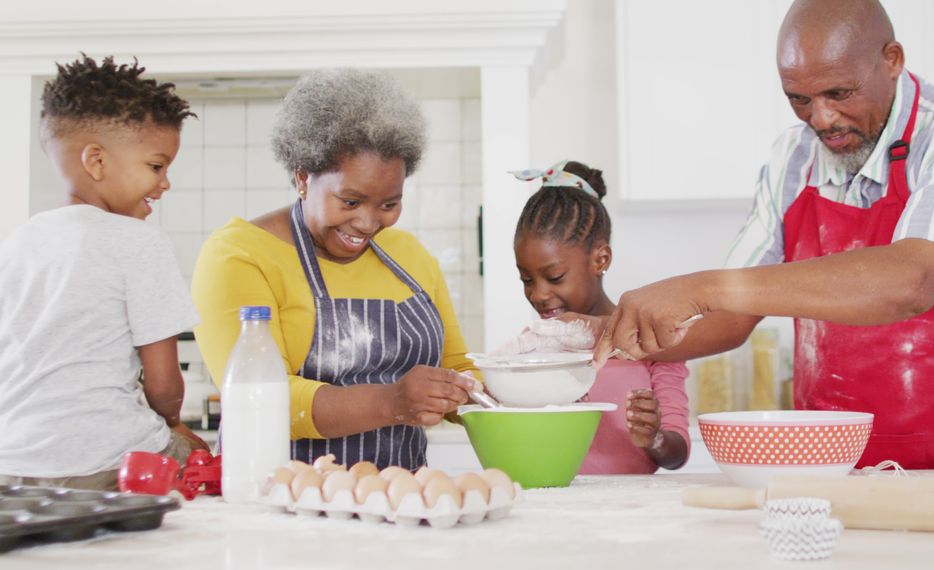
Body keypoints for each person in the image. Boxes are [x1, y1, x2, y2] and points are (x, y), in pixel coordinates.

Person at [591, 0, 934, 469]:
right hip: (839, 471)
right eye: (799, 99)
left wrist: (703, 288)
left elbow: (911, 281)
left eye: (841, 92)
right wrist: (611, 332)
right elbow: (731, 319)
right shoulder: (792, 160)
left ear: (892, 59)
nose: (822, 119)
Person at [191, 69, 479, 471]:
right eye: (350, 202)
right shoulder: (238, 255)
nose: (367, 223)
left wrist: (528, 382)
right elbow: (258, 398)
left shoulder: (408, 254)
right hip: (282, 502)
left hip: (400, 505)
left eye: (388, 204)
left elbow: (457, 368)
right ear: (303, 179)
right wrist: (393, 401)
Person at [0, 55, 209, 490]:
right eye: (156, 166)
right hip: (109, 458)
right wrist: (172, 423)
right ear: (96, 161)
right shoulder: (138, 241)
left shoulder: (18, 242)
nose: (165, 182)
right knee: (205, 461)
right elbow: (164, 384)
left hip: (13, 459)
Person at [505, 160, 690, 473]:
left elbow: (677, 454)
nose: (537, 294)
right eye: (526, 279)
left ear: (600, 259)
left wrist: (654, 437)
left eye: (555, 277)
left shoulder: (651, 339)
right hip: (552, 510)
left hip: (632, 515)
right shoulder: (535, 345)